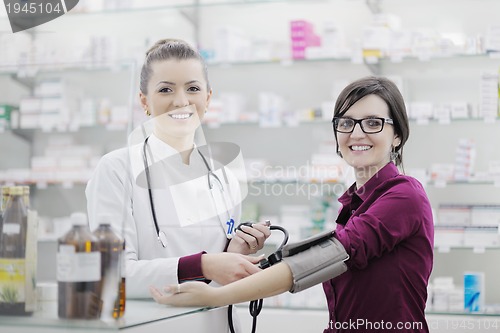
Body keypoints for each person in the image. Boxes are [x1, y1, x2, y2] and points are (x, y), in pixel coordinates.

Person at [150, 76, 435, 333]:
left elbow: (334, 254)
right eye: (346, 123)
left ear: (397, 135)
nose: (357, 134)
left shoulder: (404, 195)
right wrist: (242, 259)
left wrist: (215, 297)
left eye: (373, 123)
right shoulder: (353, 204)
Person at [85, 38, 271, 306]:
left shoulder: (224, 178)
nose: (181, 101)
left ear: (207, 98)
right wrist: (202, 265)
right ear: (144, 101)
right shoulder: (117, 169)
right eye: (165, 90)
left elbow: (219, 280)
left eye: (193, 88)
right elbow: (112, 274)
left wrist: (238, 251)